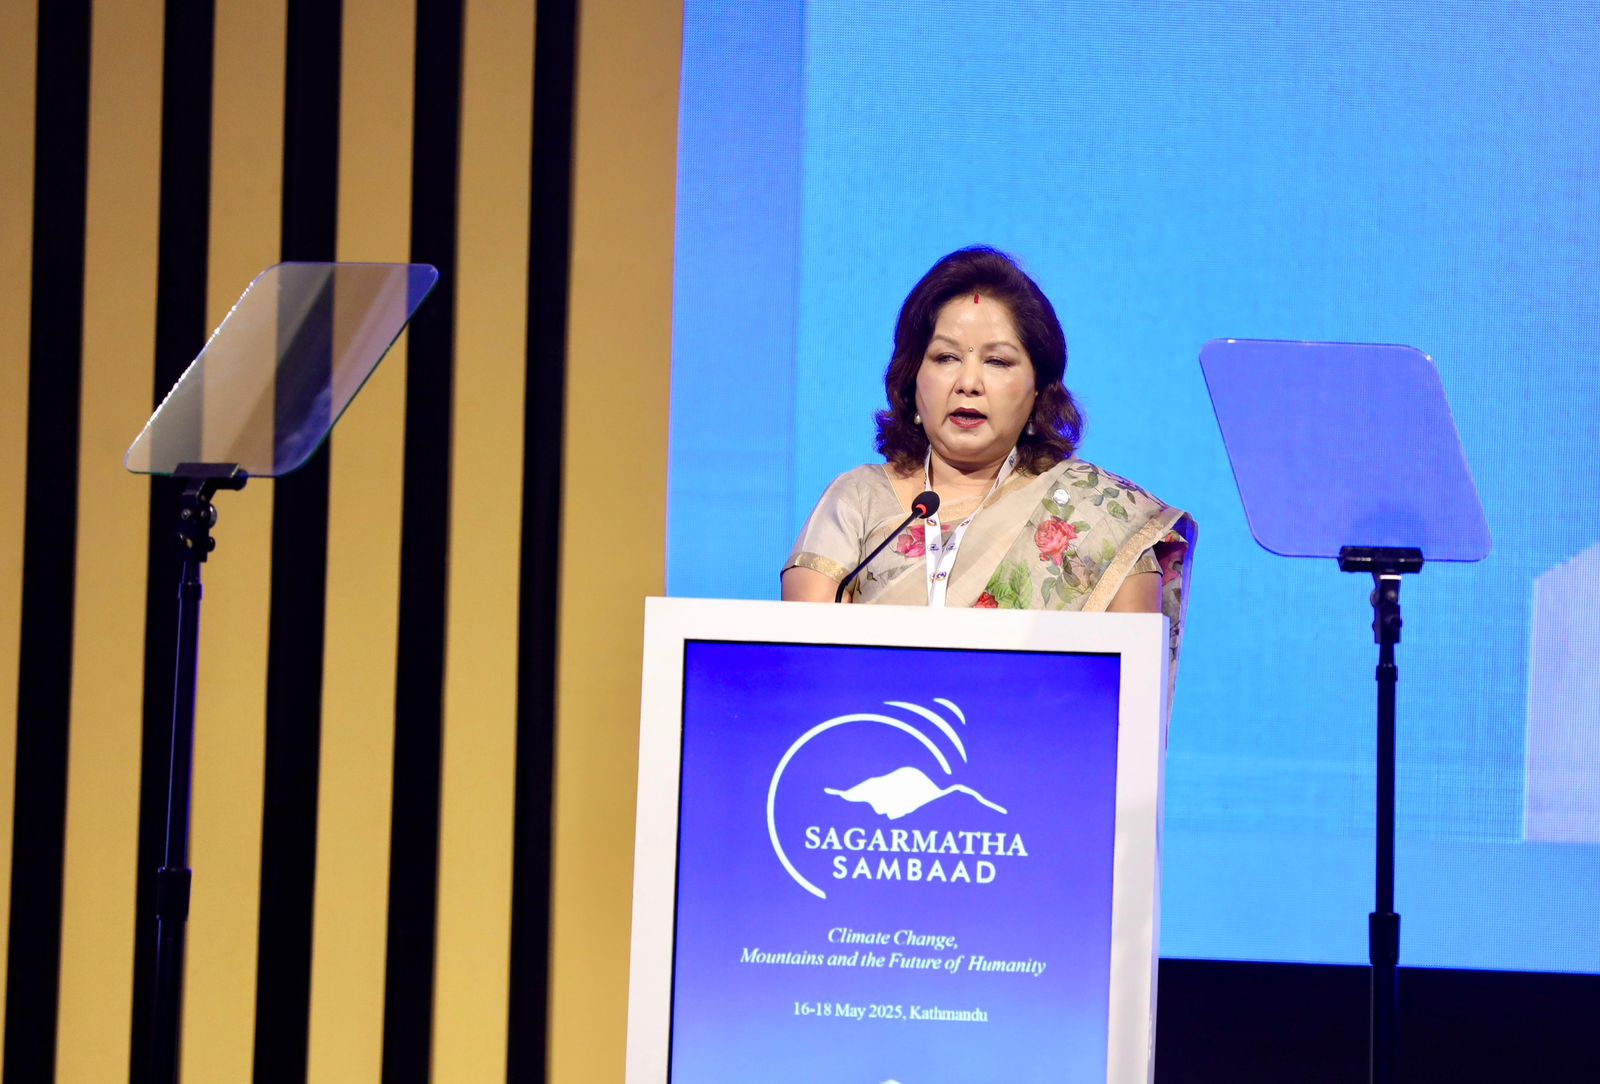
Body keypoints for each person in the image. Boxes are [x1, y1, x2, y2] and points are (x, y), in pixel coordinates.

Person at [782, 245, 1196, 677]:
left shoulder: (1103, 520)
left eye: (997, 361)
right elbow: (805, 676)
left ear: (1039, 390)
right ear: (912, 380)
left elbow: (1128, 694)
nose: (968, 382)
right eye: (946, 357)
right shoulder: (856, 502)